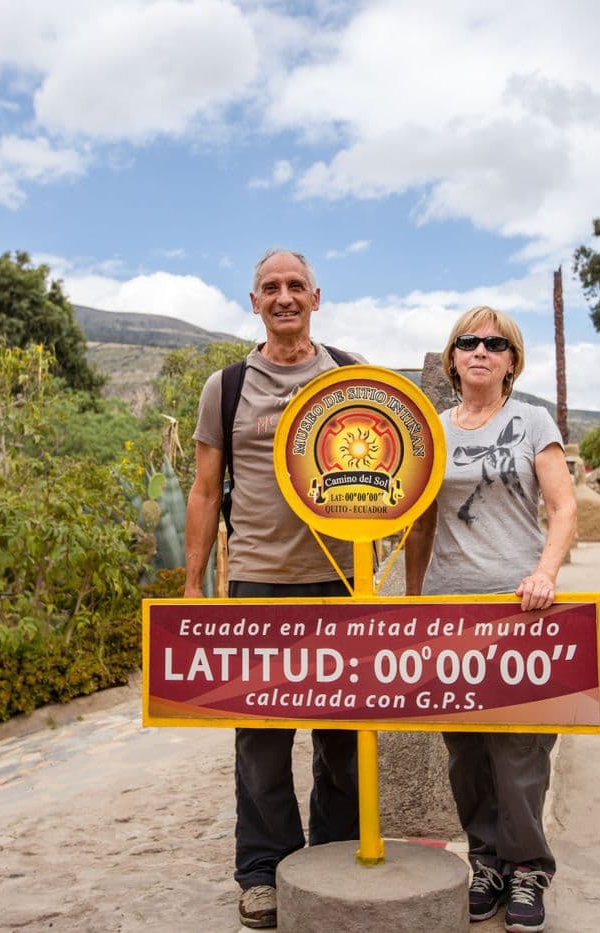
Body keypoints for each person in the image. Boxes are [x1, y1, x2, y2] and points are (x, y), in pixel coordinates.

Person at [184, 248, 361, 929]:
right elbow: (204, 491)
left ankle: (336, 855)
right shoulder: (225, 387)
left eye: (295, 285)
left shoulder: (350, 376)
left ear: (317, 297)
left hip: (341, 577)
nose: (283, 296)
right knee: (259, 733)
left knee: (342, 730)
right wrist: (194, 587)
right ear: (253, 301)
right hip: (256, 578)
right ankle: (263, 869)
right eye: (270, 287)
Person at [405, 306, 576, 933]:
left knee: (521, 749)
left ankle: (528, 867)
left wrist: (546, 574)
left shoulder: (531, 420)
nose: (480, 351)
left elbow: (561, 509)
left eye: (494, 343)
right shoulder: (432, 430)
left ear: (511, 359)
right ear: (452, 358)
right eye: (468, 342)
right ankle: (486, 863)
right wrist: (417, 599)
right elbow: (421, 522)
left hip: (520, 607)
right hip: (451, 609)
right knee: (466, 751)